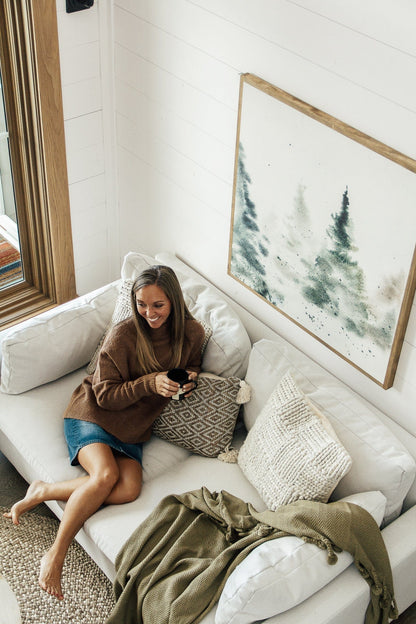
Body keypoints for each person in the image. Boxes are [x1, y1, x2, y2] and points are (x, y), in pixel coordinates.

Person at [3, 265, 205, 600]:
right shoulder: (125, 334)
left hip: (132, 428)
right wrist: (150, 382)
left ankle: (45, 490)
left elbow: (194, 364)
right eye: (142, 303)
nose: (149, 313)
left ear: (174, 301)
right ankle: (55, 554)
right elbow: (105, 395)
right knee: (105, 475)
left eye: (158, 305)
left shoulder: (192, 333)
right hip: (93, 413)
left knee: (128, 489)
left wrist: (189, 380)